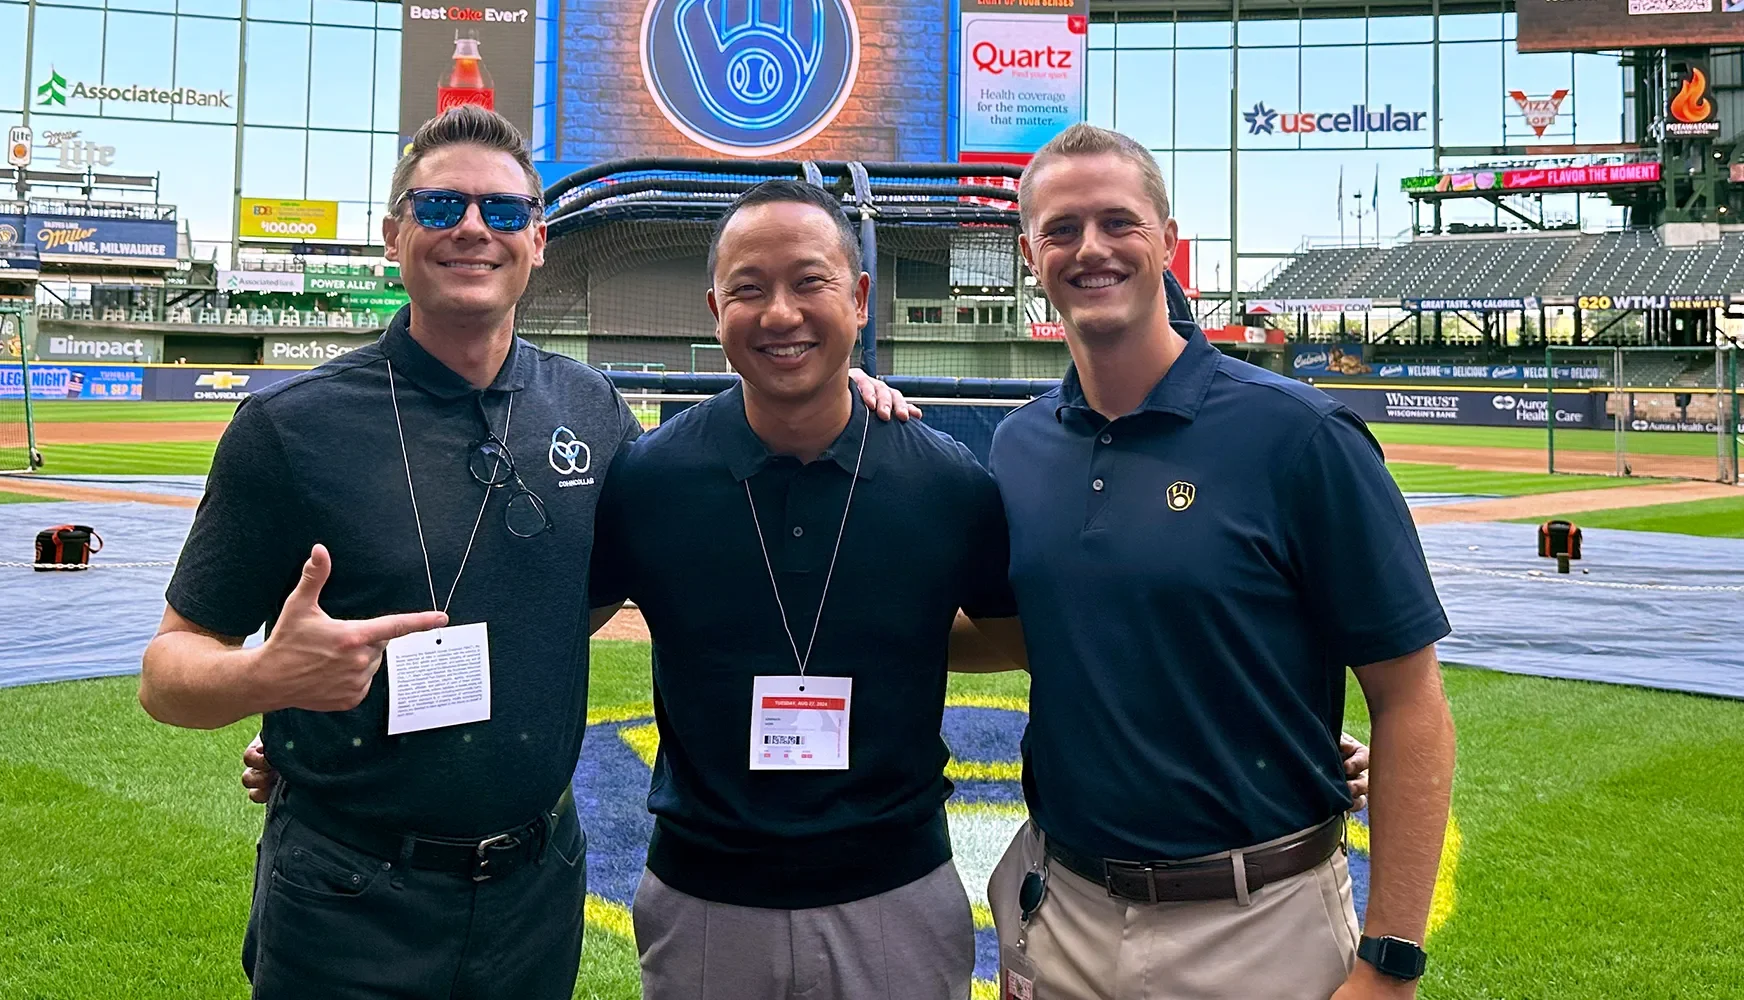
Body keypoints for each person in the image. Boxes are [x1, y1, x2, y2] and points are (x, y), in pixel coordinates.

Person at [141, 105, 913, 1000]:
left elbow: (615, 570)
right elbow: (168, 671)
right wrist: (268, 678)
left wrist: (829, 387)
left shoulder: (590, 410)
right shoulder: (289, 429)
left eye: (503, 211)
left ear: (537, 241)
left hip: (535, 889)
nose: (473, 228)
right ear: (393, 235)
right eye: (441, 207)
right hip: (348, 893)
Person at [980, 123, 1457, 1000]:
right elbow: (1024, 630)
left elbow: (1411, 698)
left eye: (1118, 222)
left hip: (1257, 922)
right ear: (1029, 255)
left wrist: (1390, 965)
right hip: (1064, 910)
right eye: (1062, 229)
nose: (1090, 248)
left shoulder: (1301, 436)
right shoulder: (1018, 446)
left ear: (1167, 241)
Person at [586, 179, 1017, 1000]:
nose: (780, 313)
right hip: (704, 901)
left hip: (896, 895)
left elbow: (1016, 637)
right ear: (715, 310)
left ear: (859, 298)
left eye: (809, 282)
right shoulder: (648, 480)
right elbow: (555, 626)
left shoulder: (947, 484)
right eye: (748, 289)